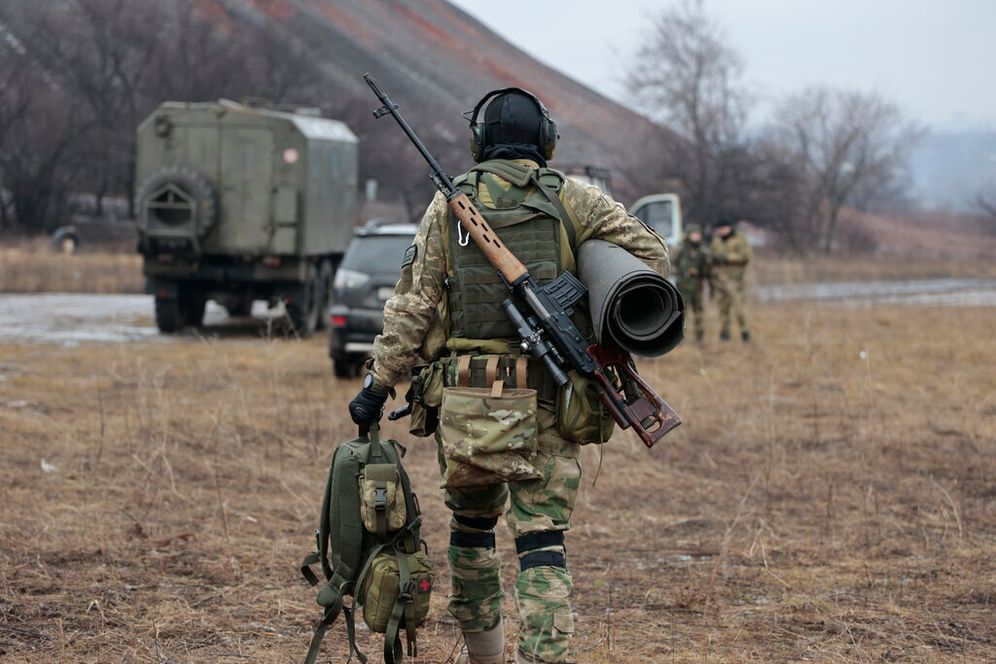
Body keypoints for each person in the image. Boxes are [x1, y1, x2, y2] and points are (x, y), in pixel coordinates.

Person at [348, 88, 669, 664]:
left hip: (466, 399)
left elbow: (412, 309)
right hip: (549, 397)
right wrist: (586, 260)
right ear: (546, 140)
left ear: (478, 141)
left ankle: (486, 657)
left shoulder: (447, 209)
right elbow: (652, 258)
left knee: (471, 533)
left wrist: (377, 386)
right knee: (542, 543)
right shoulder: (575, 199)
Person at [709, 218, 752, 342]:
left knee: (739, 309)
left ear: (729, 227)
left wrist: (727, 257)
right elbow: (711, 257)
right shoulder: (716, 241)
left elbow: (746, 256)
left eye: (723, 228)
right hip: (719, 281)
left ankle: (745, 332)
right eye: (719, 229)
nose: (721, 231)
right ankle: (724, 333)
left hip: (735, 281)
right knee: (722, 309)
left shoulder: (739, 239)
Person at [673, 225, 709, 343]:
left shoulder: (703, 252)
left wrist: (698, 272)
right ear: (688, 235)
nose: (696, 237)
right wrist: (683, 271)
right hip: (682, 287)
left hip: (697, 287)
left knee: (699, 313)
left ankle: (700, 338)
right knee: (682, 314)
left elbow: (707, 271)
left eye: (698, 235)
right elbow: (671, 265)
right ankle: (679, 338)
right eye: (694, 234)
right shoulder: (681, 249)